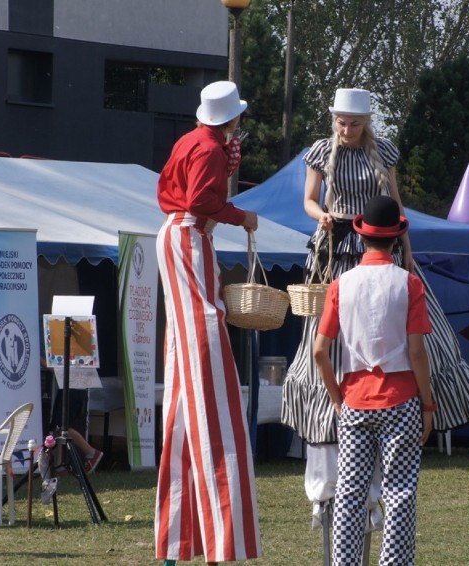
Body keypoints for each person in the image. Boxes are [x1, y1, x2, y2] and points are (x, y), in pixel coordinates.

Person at [282, 88, 469, 507]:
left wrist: (408, 253)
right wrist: (319, 214)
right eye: (341, 122)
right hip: (336, 244)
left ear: (367, 123)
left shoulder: (384, 151)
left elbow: (397, 207)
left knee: (419, 329)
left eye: (354, 123)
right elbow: (307, 200)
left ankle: (423, 402)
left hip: (380, 243)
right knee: (323, 339)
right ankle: (330, 409)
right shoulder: (321, 150)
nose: (346, 129)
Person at [154, 80, 260, 565]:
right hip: (188, 233)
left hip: (178, 233)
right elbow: (200, 202)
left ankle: (179, 545)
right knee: (206, 341)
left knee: (187, 360)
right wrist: (241, 217)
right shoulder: (210, 149)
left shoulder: (192, 140)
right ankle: (219, 541)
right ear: (231, 118)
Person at [313, 196, 435, 566]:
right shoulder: (409, 284)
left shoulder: (340, 284)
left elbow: (320, 351)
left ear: (362, 237)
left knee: (350, 492)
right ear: (396, 240)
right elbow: (417, 352)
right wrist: (428, 405)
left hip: (354, 399)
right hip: (400, 399)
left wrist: (337, 398)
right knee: (399, 493)